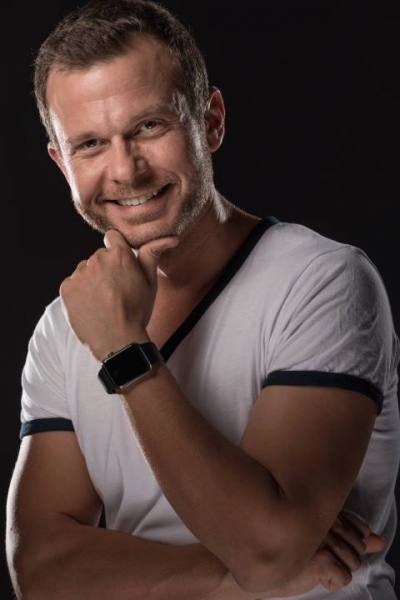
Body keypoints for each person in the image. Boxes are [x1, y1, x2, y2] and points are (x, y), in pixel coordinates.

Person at [6, 0, 399, 598]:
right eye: (90, 144)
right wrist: (228, 577)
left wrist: (123, 349)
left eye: (149, 127)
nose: (125, 170)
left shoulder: (323, 282)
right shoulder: (63, 326)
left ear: (210, 121)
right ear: (62, 163)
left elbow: (265, 549)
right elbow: (40, 569)